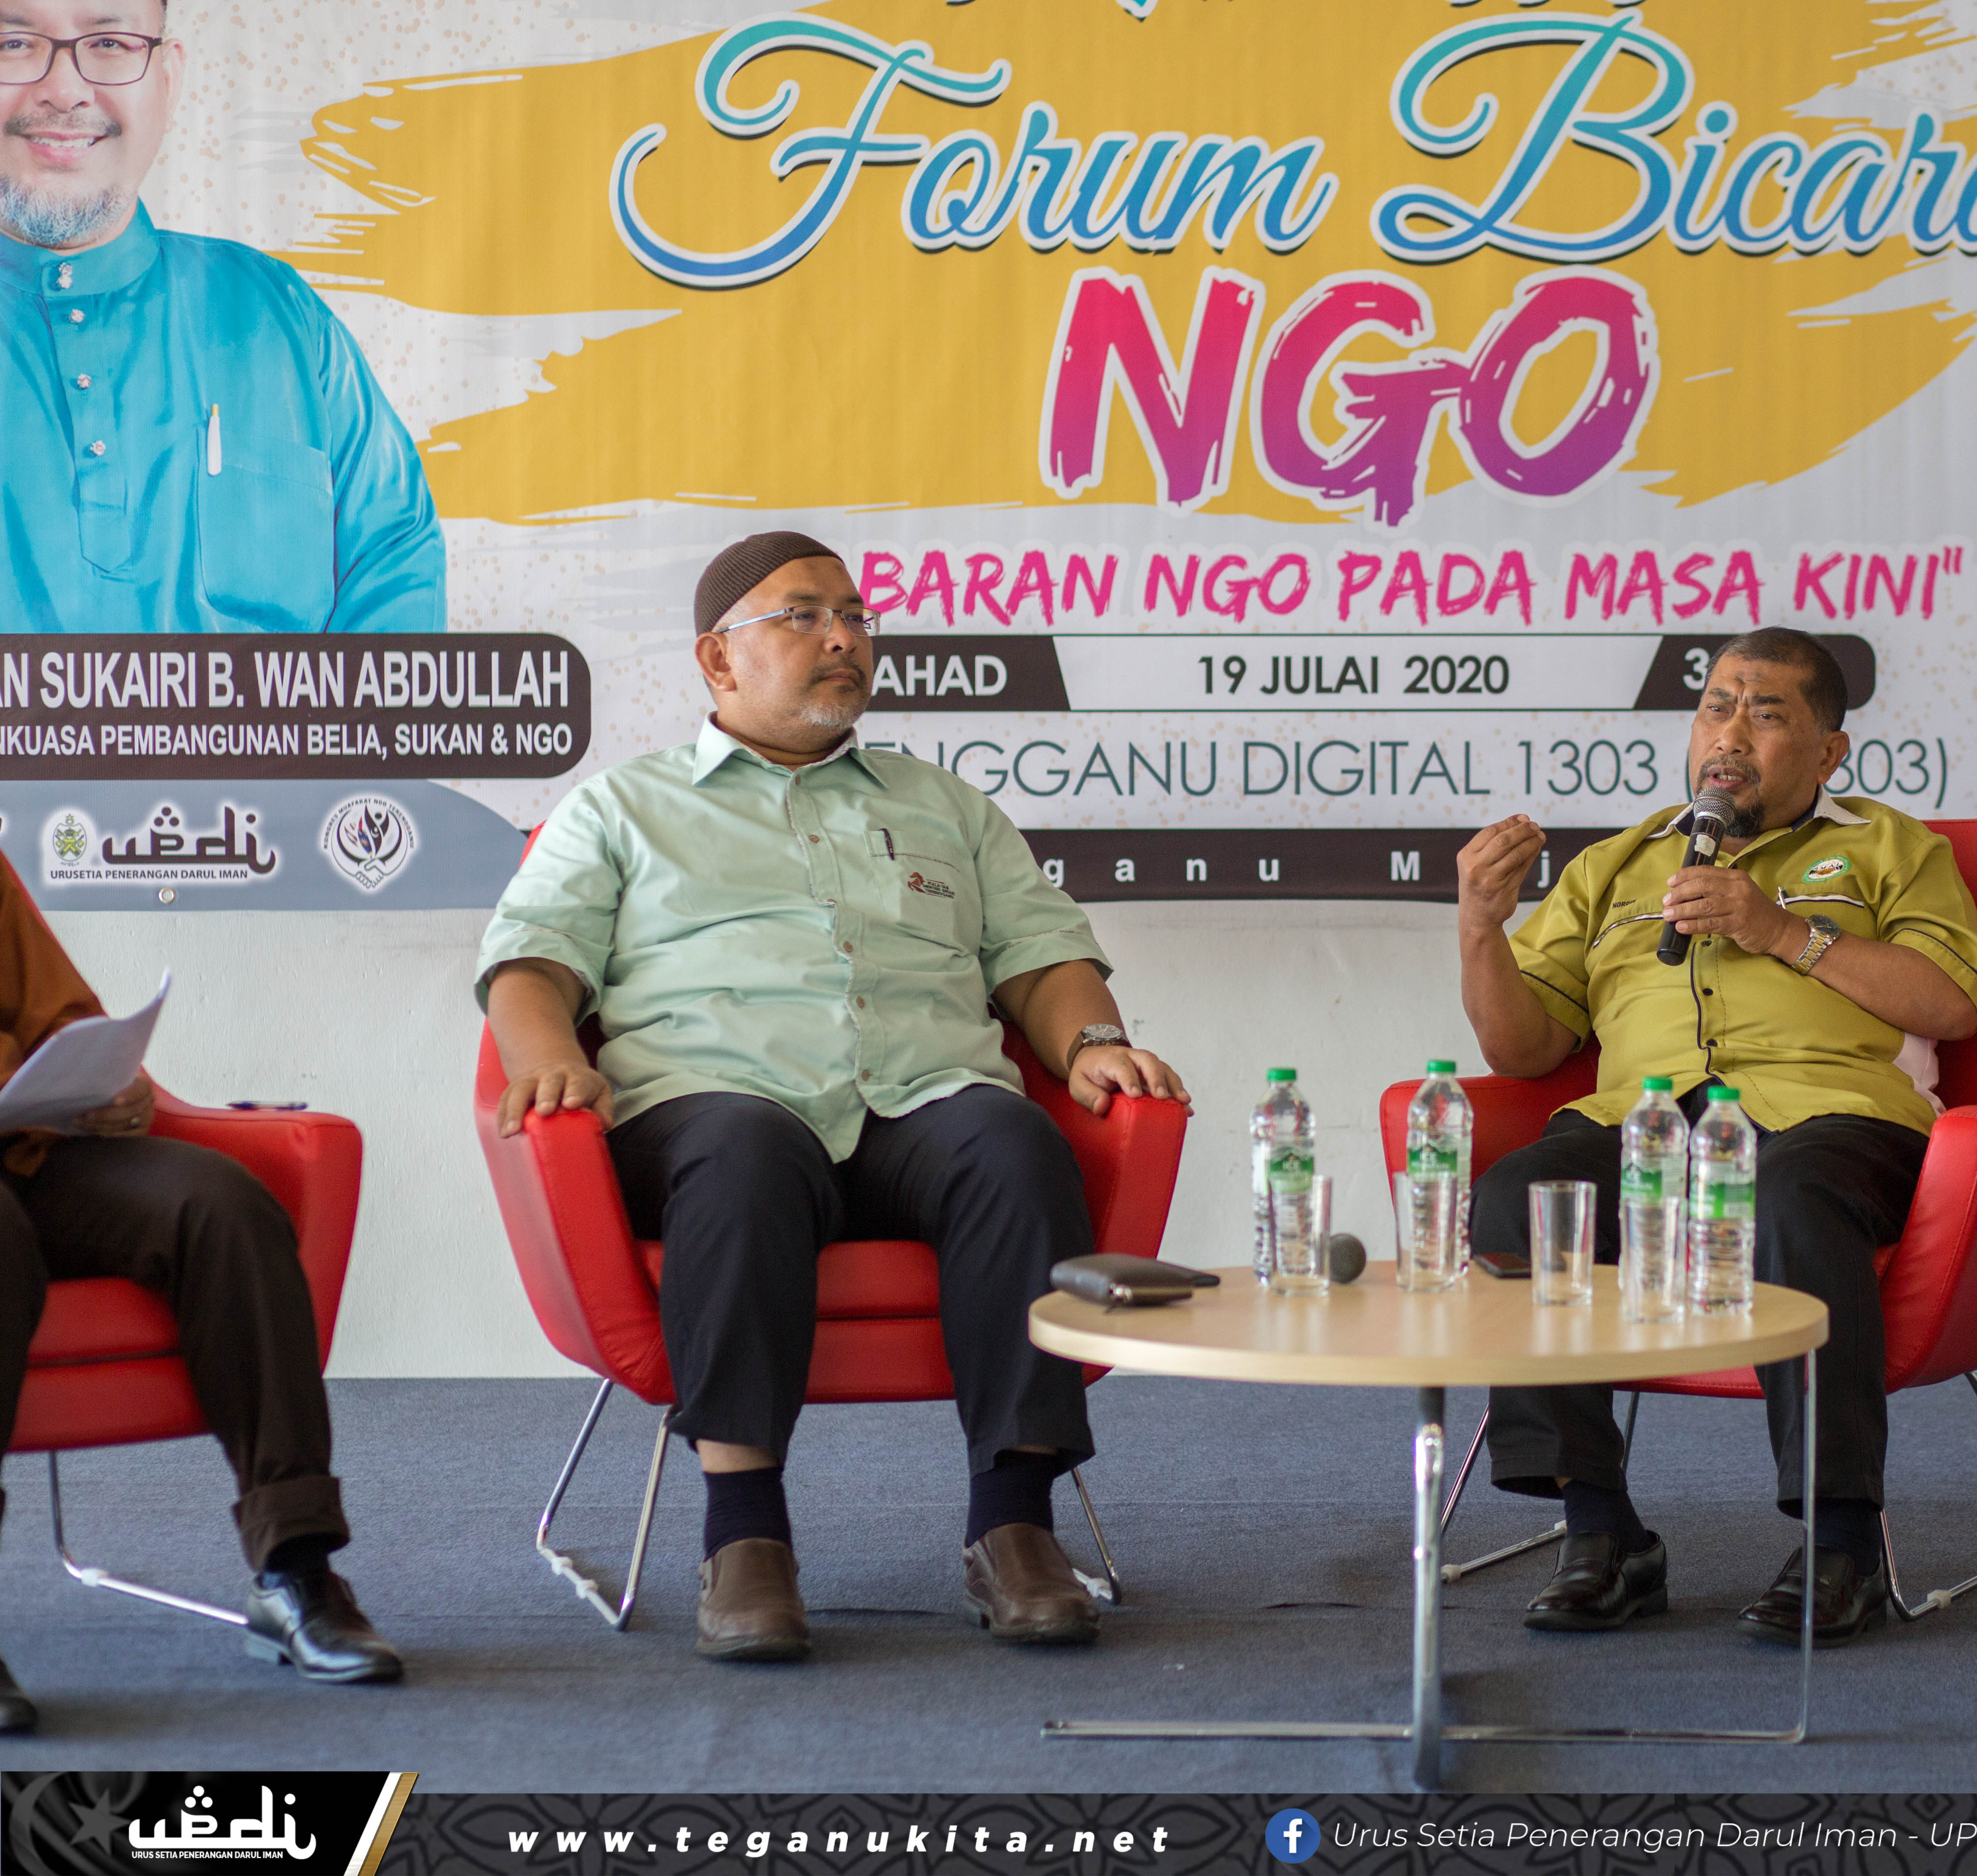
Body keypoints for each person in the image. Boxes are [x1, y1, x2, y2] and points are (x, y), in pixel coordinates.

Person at [478, 532, 1189, 1665]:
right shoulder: (619, 808)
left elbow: (1042, 957)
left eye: (856, 616)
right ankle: (744, 1535)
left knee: (1013, 1143)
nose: (844, 637)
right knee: (744, 1153)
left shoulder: (947, 807)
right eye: (803, 615)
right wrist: (546, 1054)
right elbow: (532, 963)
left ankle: (1014, 1523)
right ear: (718, 658)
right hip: (712, 1101)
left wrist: (1091, 1042)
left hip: (920, 1099)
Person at [1450, 628, 1977, 1644]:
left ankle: (1841, 1542)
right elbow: (1523, 1047)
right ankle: (1602, 1531)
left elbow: (1951, 1002)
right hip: (1645, 1124)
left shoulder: (1893, 848)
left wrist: (1780, 930)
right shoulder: (1616, 865)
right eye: (1716, 708)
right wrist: (1481, 927)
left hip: (1827, 1120)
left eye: (1767, 713)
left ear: (1829, 751)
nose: (1730, 736)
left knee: (1792, 1198)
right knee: (1520, 1198)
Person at [0, 858, 400, 1732]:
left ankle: (295, 1568)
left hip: (27, 1146)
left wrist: (109, 1086)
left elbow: (59, 1021)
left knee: (222, 1206)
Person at [0, 0, 443, 630]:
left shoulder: (281, 316)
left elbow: (396, 577)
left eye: (110, 44)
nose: (65, 91)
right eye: (14, 44)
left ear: (168, 80)